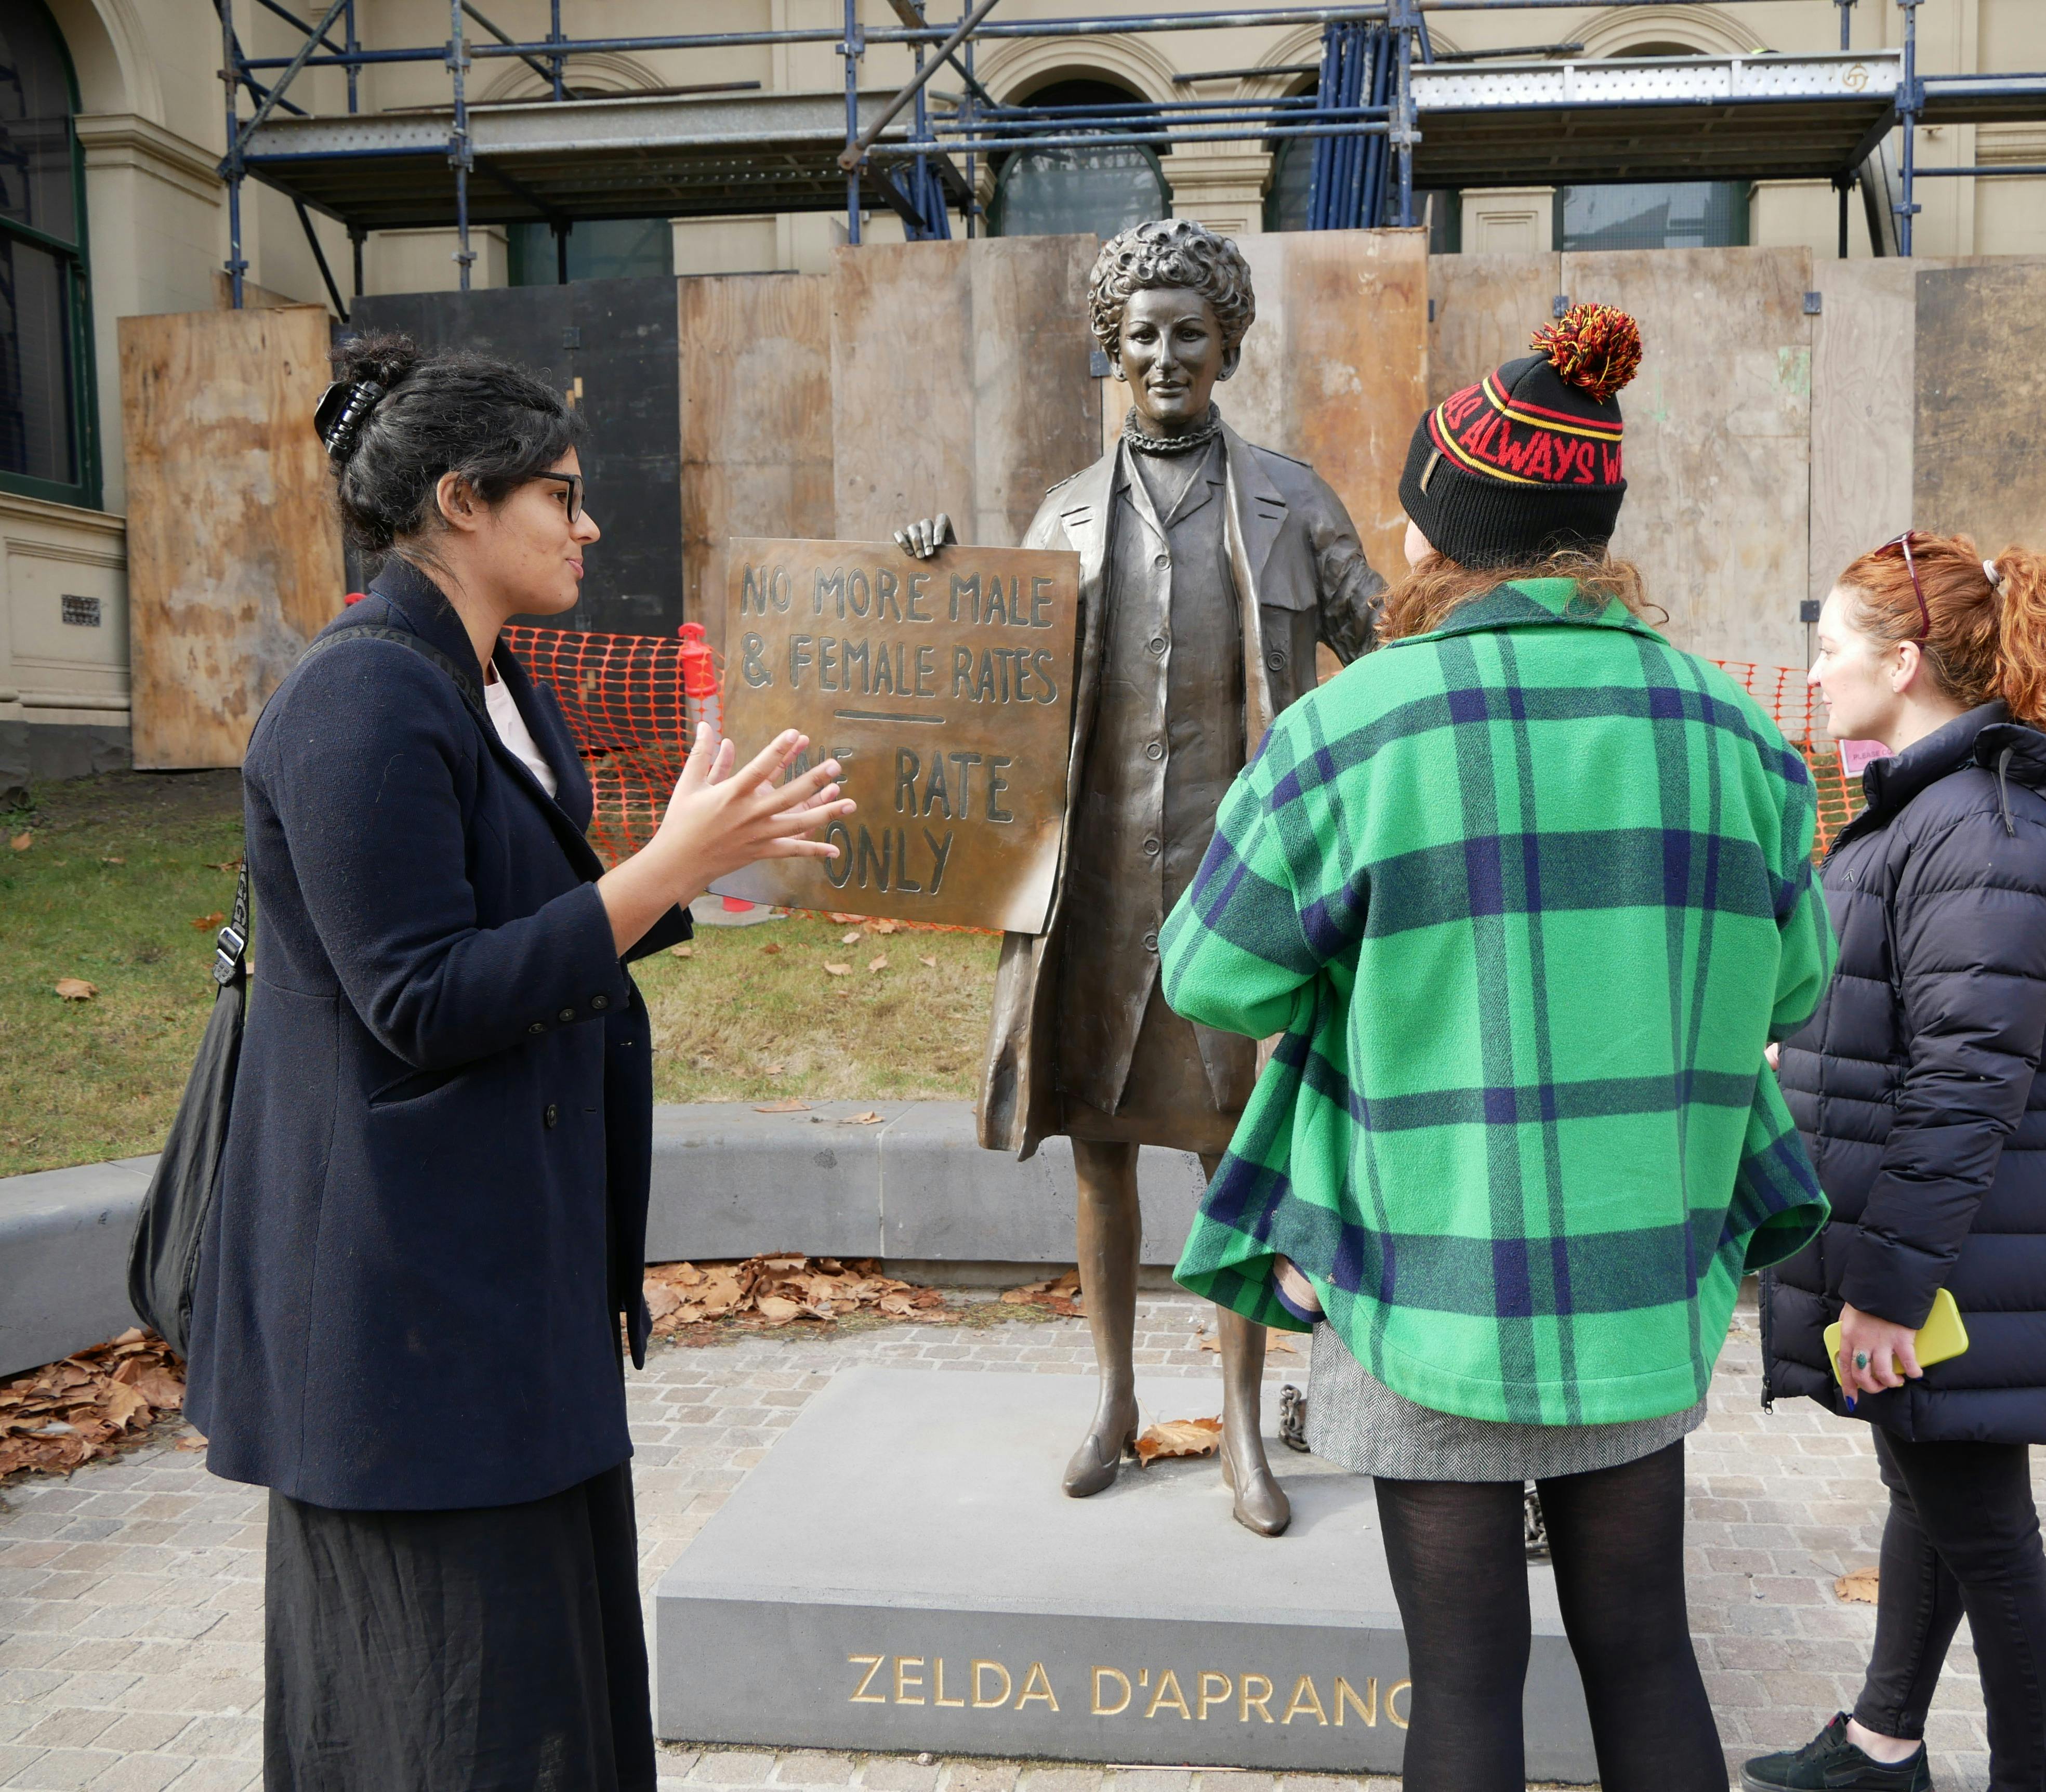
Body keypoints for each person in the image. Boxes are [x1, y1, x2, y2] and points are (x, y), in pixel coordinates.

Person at [1160, 307, 1836, 1792]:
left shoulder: (1351, 729)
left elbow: (1208, 973)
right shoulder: (1736, 733)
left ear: (1438, 537)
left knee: (1462, 1678)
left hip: (1421, 1263)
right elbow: (1796, 987)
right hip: (1640, 1265)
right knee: (1645, 1650)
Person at [182, 332, 854, 1792]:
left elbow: (519, 925)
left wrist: (692, 868)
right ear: (462, 501)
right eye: (562, 493)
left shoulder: (499, 682)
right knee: (446, 1714)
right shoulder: (360, 699)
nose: (589, 525)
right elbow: (419, 997)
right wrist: (666, 867)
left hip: (499, 1281)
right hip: (401, 1317)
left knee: (547, 1686)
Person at [894, 219, 1382, 1535]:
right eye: (1142, 335)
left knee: (1237, 1151)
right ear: (1111, 349)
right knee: (1099, 1145)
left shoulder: (1292, 504)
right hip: (1097, 890)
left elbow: (1386, 641)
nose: (1165, 356)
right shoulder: (1061, 513)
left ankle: (1240, 1423)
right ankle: (1110, 1396)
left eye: (1190, 333)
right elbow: (992, 685)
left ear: (1229, 346)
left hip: (1239, 887)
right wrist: (938, 579)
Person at [1747, 533, 2046, 1792]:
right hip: (1930, 1248)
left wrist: (1887, 1289)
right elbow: (1906, 1025)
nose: (1814, 674)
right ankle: (1883, 1742)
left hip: (1947, 1263)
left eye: (1830, 648)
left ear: (1904, 661)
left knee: (1988, 1536)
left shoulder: (1984, 832)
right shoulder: (1934, 810)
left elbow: (1967, 1083)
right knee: (1930, 1489)